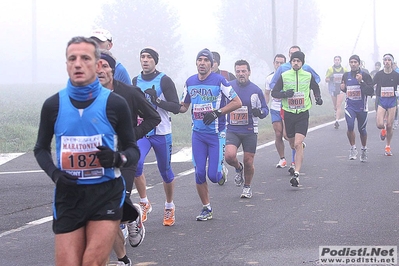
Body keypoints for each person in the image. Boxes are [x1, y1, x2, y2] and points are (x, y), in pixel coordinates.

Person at [33, 36, 141, 266]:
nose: (78, 64)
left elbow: (133, 150)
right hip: (69, 196)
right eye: (72, 58)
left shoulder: (115, 103)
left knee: (91, 262)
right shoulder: (53, 105)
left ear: (97, 64)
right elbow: (40, 149)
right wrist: (55, 174)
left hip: (106, 194)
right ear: (66, 65)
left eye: (85, 58)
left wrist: (116, 158)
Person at [98, 50, 161, 265]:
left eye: (105, 66)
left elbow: (153, 117)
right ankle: (123, 258)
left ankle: (131, 217)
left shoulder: (130, 92)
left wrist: (132, 135)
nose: (100, 70)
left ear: (112, 71)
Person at [180, 48, 242, 220]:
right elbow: (183, 106)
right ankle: (206, 208)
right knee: (199, 173)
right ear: (196, 63)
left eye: (205, 60)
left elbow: (237, 102)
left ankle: (223, 169)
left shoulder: (219, 80)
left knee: (214, 177)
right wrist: (159, 103)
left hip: (216, 134)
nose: (202, 63)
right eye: (199, 59)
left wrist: (217, 112)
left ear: (211, 63)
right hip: (198, 134)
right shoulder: (190, 81)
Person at [132, 47, 181, 226]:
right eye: (142, 57)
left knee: (165, 171)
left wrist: (157, 101)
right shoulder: (135, 80)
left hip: (161, 131)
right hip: (143, 131)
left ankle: (169, 205)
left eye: (149, 57)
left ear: (155, 61)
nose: (145, 60)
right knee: (135, 164)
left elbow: (176, 107)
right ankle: (144, 202)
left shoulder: (165, 80)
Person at [271, 51, 323, 187]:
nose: (295, 63)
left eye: (298, 61)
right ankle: (299, 147)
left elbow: (315, 87)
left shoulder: (307, 75)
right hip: (288, 113)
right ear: (290, 62)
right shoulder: (284, 75)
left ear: (302, 63)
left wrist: (318, 97)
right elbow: (274, 92)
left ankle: (297, 174)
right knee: (291, 141)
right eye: (293, 60)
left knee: (298, 144)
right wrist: (284, 94)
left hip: (302, 113)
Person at [225, 60, 269, 198]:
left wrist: (260, 113)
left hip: (249, 130)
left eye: (243, 71)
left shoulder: (255, 90)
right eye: (238, 71)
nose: (241, 74)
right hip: (232, 129)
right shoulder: (229, 87)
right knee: (229, 156)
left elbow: (265, 109)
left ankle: (247, 187)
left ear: (249, 72)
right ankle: (238, 169)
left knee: (248, 161)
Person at [340, 55, 374, 162]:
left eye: (355, 62)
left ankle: (364, 149)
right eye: (351, 62)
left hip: (362, 108)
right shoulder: (346, 75)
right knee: (350, 126)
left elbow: (370, 91)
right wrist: (343, 88)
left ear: (359, 63)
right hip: (350, 106)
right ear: (349, 63)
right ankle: (353, 148)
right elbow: (347, 89)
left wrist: (361, 82)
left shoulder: (366, 75)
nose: (353, 64)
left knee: (362, 130)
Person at [372, 53, 399, 156]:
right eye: (385, 60)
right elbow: (372, 84)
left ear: (392, 62)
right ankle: (382, 129)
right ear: (383, 62)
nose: (387, 61)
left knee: (389, 125)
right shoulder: (379, 74)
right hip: (382, 100)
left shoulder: (396, 75)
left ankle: (388, 146)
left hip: (392, 101)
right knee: (379, 124)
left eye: (389, 60)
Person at [265, 54, 288, 168]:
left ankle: (297, 148)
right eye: (277, 63)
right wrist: (263, 107)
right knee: (278, 134)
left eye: (282, 63)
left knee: (287, 135)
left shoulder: (289, 76)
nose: (279, 65)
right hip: (275, 108)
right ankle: (282, 159)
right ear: (274, 64)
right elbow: (267, 93)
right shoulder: (269, 78)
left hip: (287, 108)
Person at [325, 56, 347, 129]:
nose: (337, 61)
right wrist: (331, 78)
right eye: (335, 60)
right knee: (335, 106)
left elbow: (347, 78)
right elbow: (326, 79)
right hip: (333, 89)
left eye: (338, 60)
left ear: (340, 61)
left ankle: (337, 121)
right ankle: (336, 113)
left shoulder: (344, 70)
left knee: (338, 105)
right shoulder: (330, 69)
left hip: (341, 89)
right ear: (333, 61)